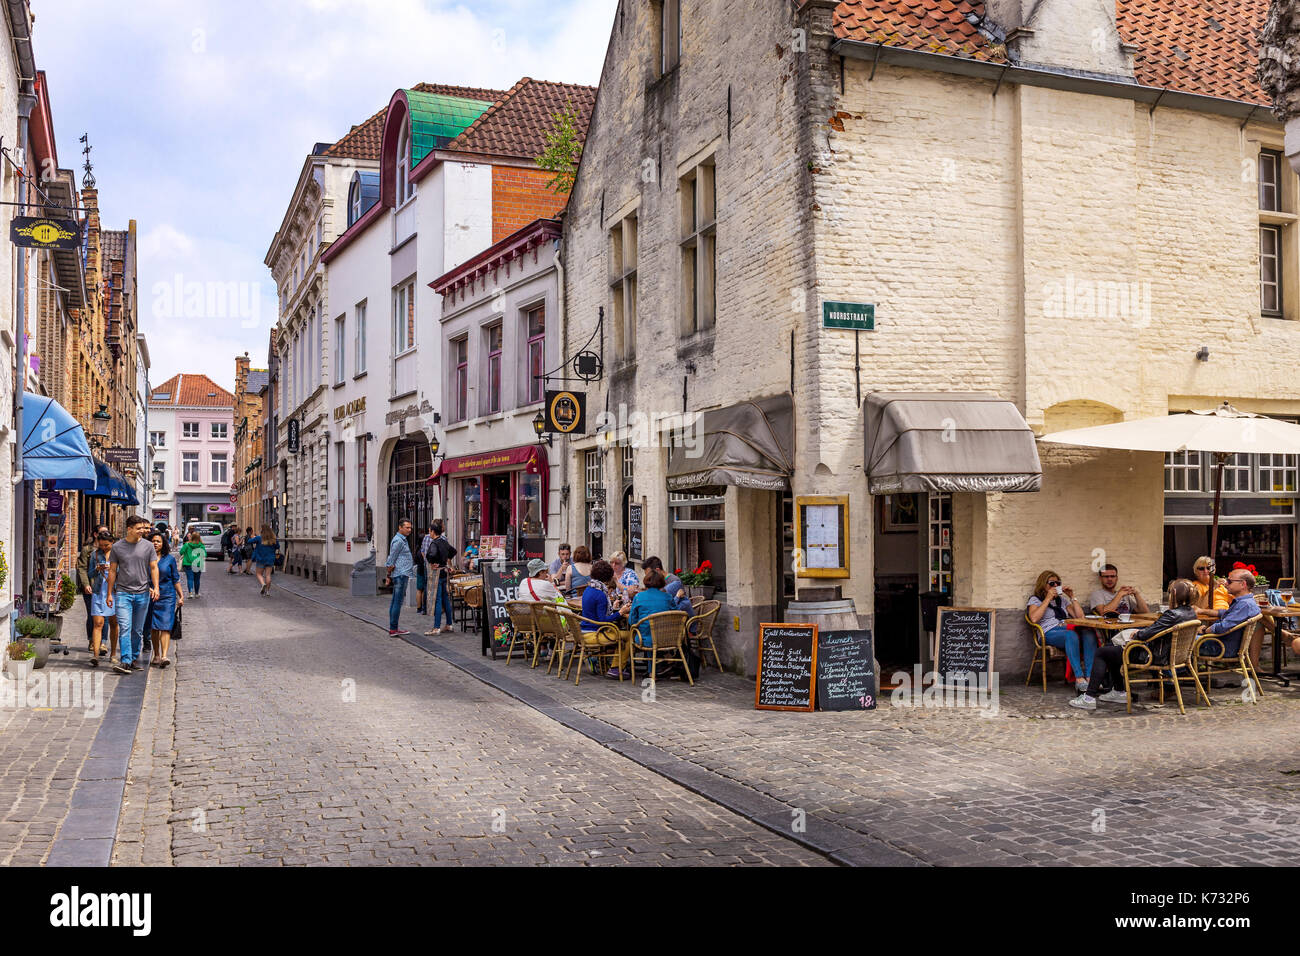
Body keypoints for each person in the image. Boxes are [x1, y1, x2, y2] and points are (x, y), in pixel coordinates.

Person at [1070, 579, 1198, 710]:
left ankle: (1089, 698)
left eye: (1170, 592)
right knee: (1111, 650)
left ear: (1175, 593)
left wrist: (1137, 634)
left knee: (1102, 652)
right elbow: (1156, 630)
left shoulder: (1172, 614)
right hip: (1172, 656)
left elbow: (1146, 635)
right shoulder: (1191, 613)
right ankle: (1119, 691)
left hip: (1152, 655)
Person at [106, 515, 160, 674]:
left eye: (143, 529)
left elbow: (154, 568)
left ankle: (134, 658)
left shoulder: (148, 546)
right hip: (123, 593)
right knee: (125, 627)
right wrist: (109, 593)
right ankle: (126, 660)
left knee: (137, 630)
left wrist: (156, 587)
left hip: (142, 593)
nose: (142, 531)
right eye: (138, 529)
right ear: (129, 529)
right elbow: (112, 571)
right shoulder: (117, 547)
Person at [1026, 569, 1092, 692]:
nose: (1056, 586)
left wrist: (1072, 597)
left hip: (1065, 628)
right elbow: (1034, 618)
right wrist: (1048, 598)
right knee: (1070, 635)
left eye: (1058, 583)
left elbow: (1081, 618)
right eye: (1052, 583)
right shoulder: (1035, 599)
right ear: (1043, 584)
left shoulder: (1062, 600)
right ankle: (1079, 678)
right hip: (1048, 632)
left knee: (1089, 633)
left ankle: (1090, 677)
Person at [1198, 566, 1261, 657]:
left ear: (1243, 584)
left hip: (1221, 647)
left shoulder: (1244, 605)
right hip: (1223, 644)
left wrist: (1204, 630)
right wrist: (1202, 611)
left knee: (1179, 641)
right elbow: (1227, 613)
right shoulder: (1245, 602)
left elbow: (1222, 627)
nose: (1225, 583)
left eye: (1229, 581)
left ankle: (1179, 670)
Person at [147, 531, 182, 669]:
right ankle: (156, 655)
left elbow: (175, 578)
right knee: (154, 627)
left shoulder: (170, 559)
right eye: (153, 541)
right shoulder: (145, 558)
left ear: (163, 544)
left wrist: (181, 595)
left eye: (158, 541)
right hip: (150, 595)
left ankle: (164, 656)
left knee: (166, 626)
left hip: (167, 596)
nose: (155, 543)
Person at [77, 524, 112, 655]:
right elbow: (82, 568)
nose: (105, 535)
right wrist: (86, 584)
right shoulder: (88, 550)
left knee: (106, 616)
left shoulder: (111, 551)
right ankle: (92, 640)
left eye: (107, 533)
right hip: (92, 587)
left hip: (107, 588)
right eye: (103, 533)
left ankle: (103, 642)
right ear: (96, 535)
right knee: (93, 616)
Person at [86, 532, 118, 668]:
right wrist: (97, 568)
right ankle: (96, 655)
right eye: (102, 545)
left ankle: (113, 654)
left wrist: (112, 569)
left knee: (113, 623)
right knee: (98, 623)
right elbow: (90, 573)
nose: (104, 547)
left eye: (107, 545)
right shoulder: (95, 555)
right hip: (99, 591)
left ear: (112, 543)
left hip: (115, 591)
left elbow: (124, 572)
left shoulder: (118, 555)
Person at [422, 520, 457, 636]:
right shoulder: (444, 542)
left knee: (437, 600)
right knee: (446, 599)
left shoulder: (434, 543)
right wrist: (445, 560)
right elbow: (453, 551)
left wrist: (433, 562)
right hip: (444, 572)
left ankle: (436, 627)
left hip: (436, 573)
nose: (429, 533)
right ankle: (449, 624)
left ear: (432, 531)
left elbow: (430, 555)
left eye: (430, 531)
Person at [385, 519, 415, 637]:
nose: (409, 530)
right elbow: (391, 559)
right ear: (400, 527)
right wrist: (388, 574)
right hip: (400, 574)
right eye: (407, 527)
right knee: (397, 602)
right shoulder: (398, 541)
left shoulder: (402, 540)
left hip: (401, 573)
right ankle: (393, 628)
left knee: (395, 601)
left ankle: (394, 627)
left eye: (410, 528)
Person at [252, 525, 278, 595]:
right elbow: (278, 546)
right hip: (270, 559)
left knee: (258, 574)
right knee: (268, 575)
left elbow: (249, 541)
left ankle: (263, 584)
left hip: (261, 559)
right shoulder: (273, 539)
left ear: (262, 530)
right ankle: (267, 592)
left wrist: (253, 537)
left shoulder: (258, 538)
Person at [179, 531, 206, 599]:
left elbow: (181, 552)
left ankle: (190, 593)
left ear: (191, 537)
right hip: (198, 564)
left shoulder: (187, 545)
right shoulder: (201, 545)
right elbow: (204, 555)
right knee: (197, 579)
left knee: (190, 579)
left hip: (188, 564)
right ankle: (196, 594)